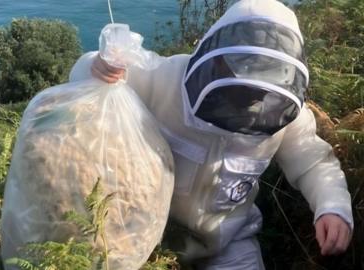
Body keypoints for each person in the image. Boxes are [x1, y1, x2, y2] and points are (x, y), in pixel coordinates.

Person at [69, 0, 353, 269]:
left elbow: (314, 163)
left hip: (228, 240)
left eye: (263, 80)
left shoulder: (285, 114)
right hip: (142, 230)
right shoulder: (162, 77)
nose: (250, 95)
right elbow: (89, 89)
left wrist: (332, 207)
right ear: (216, 56)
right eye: (240, 71)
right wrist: (98, 67)